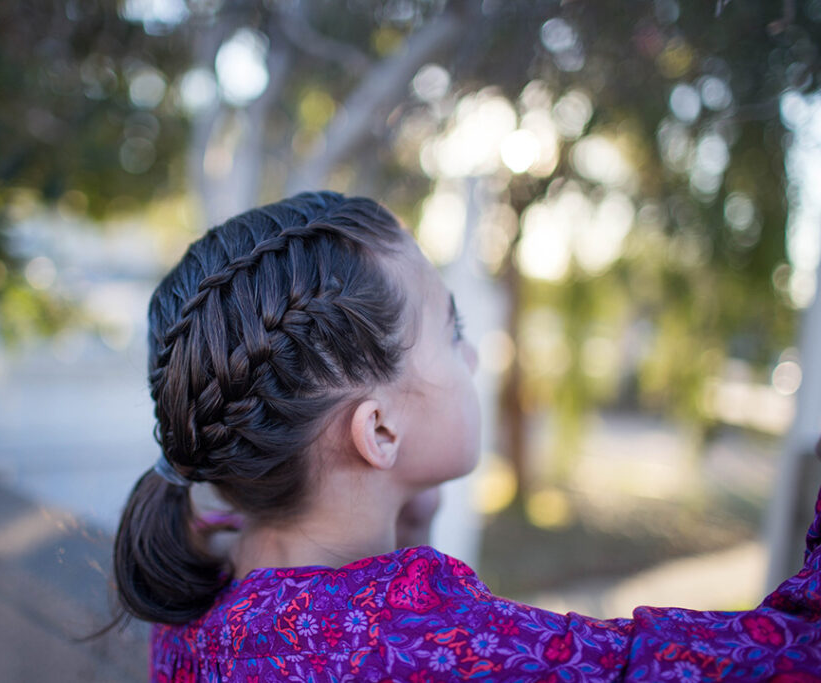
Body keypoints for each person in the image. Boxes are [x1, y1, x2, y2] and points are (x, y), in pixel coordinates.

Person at [110, 191, 821, 681]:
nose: (476, 357)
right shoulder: (433, 647)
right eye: (451, 330)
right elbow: (790, 656)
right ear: (379, 429)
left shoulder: (195, 593)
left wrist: (404, 527)